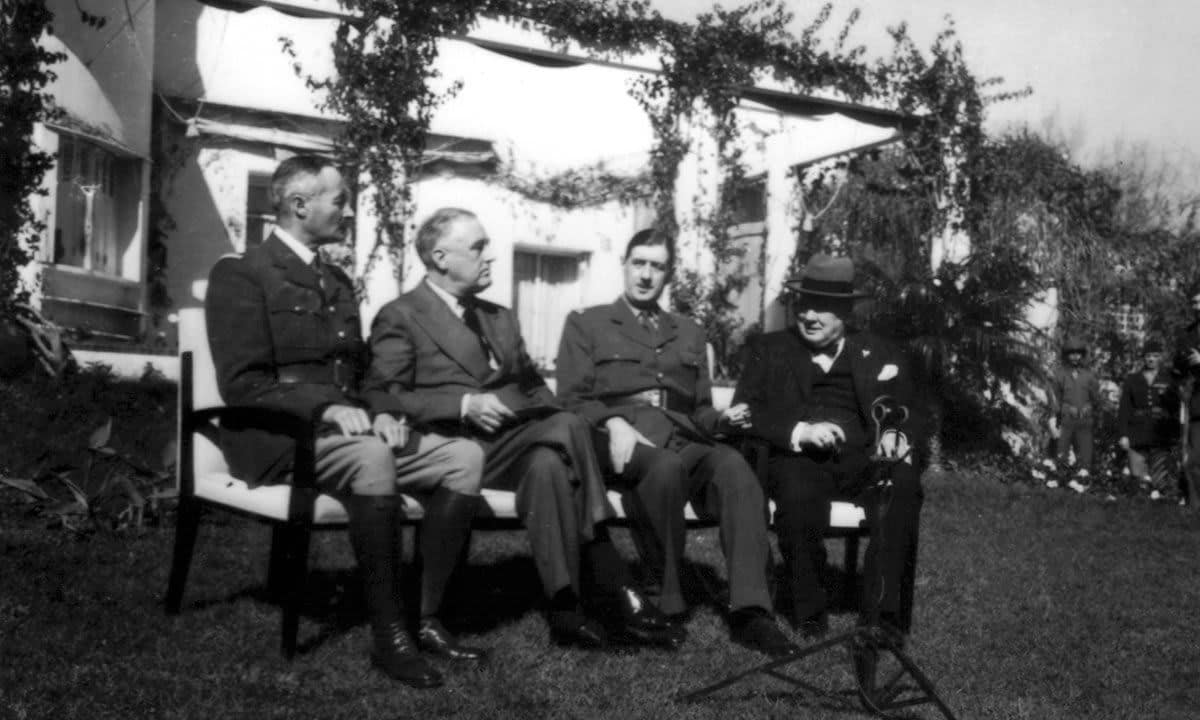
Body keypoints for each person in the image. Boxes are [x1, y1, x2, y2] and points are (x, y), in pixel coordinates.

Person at [204, 156, 488, 689]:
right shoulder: (241, 273)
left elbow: (361, 375)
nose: (349, 209)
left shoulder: (334, 280)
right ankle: (390, 638)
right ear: (298, 204)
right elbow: (243, 383)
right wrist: (325, 409)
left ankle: (424, 619)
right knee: (374, 457)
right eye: (339, 199)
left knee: (464, 457)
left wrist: (384, 412)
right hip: (278, 436)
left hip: (347, 432)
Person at [364, 208, 678, 650]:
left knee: (549, 464)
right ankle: (611, 574)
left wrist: (540, 416)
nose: (489, 256)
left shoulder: (499, 317)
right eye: (477, 247)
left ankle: (565, 609)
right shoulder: (402, 315)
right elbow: (384, 393)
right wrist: (461, 404)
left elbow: (533, 386)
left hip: (515, 440)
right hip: (457, 446)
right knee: (569, 425)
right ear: (440, 257)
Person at [554, 229, 800, 657]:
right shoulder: (587, 323)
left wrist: (722, 419)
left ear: (668, 274)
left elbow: (700, 408)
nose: (647, 275)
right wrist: (611, 421)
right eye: (639, 263)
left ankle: (751, 611)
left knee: (735, 471)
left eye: (657, 266)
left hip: (685, 436)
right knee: (663, 469)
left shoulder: (689, 331)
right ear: (625, 265)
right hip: (620, 439)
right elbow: (571, 400)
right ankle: (664, 600)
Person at [733, 254, 924, 640]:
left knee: (903, 487)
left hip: (866, 458)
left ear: (846, 312)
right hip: (800, 459)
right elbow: (745, 413)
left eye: (824, 307)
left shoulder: (880, 352)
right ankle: (810, 613)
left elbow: (911, 410)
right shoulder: (768, 348)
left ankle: (881, 620)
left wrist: (896, 435)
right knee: (797, 493)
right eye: (805, 305)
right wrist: (799, 431)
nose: (810, 316)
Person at [1117, 339, 1178, 490]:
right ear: (1143, 357)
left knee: (1160, 484)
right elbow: (1124, 409)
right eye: (1148, 356)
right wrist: (1124, 435)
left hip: (1161, 435)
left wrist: (1175, 436)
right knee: (1138, 482)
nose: (1151, 359)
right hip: (1137, 434)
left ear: (1161, 357)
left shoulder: (1169, 379)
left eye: (1155, 356)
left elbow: (1175, 410)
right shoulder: (1132, 379)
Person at [1048, 336, 1102, 483]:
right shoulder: (1060, 375)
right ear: (1066, 355)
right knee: (1063, 445)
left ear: (1082, 355)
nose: (1075, 357)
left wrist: (1090, 407)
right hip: (1066, 419)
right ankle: (1061, 474)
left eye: (1078, 353)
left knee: (1085, 446)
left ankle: (1083, 475)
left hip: (1084, 419)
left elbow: (1096, 399)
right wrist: (1054, 417)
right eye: (1071, 353)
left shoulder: (1089, 376)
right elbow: (1055, 399)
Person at [1172, 287, 1200, 506]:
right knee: (1192, 459)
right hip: (1195, 402)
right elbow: (1178, 367)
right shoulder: (1187, 333)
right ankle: (1194, 505)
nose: (1197, 307)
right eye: (1194, 303)